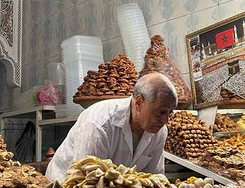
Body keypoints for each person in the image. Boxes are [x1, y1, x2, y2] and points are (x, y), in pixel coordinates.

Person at [45, 73, 178, 181]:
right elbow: (86, 180)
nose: (165, 120)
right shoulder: (100, 122)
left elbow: (153, 178)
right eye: (161, 112)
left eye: (169, 113)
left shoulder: (159, 132)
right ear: (138, 102)